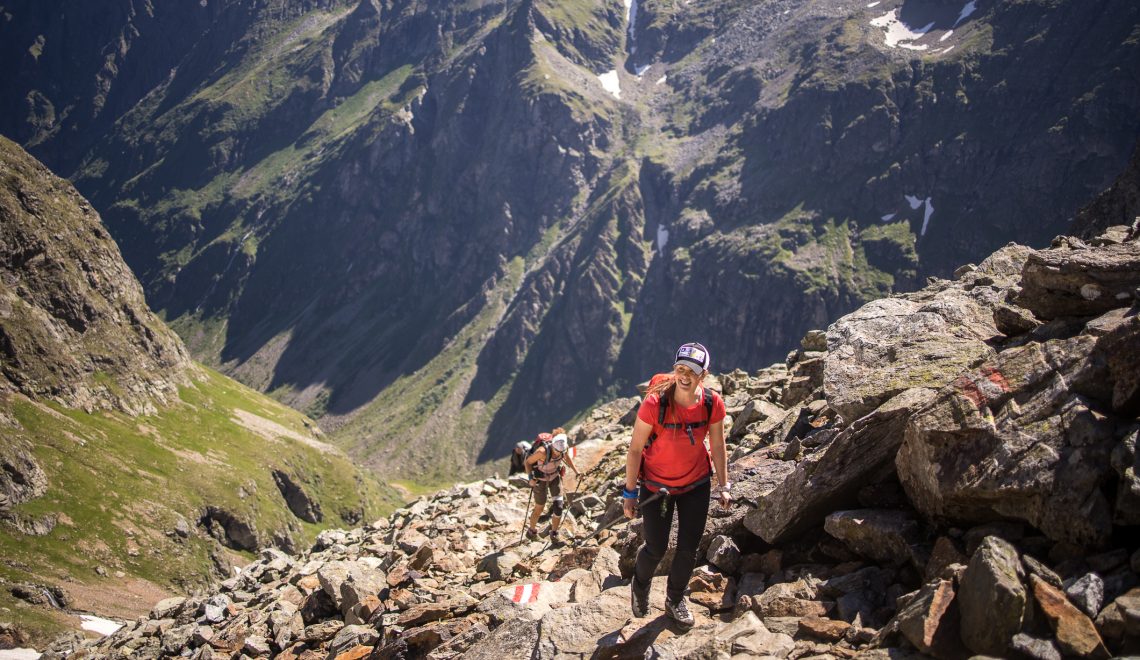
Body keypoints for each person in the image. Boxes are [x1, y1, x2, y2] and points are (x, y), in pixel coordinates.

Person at [622, 342, 731, 628]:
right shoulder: (655, 403)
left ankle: (675, 599)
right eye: (680, 368)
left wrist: (724, 485)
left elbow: (718, 446)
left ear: (703, 374)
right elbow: (635, 450)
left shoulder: (711, 403)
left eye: (692, 371)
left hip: (696, 483)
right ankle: (641, 583)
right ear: (675, 369)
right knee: (656, 548)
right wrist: (630, 493)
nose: (684, 375)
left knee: (688, 548)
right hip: (657, 487)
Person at [524, 428, 580, 543]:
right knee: (540, 508)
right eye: (556, 451)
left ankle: (554, 534)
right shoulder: (542, 452)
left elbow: (567, 457)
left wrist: (576, 471)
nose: (558, 454)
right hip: (540, 479)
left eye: (561, 452)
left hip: (555, 477)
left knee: (559, 507)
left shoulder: (563, 449)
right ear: (552, 446)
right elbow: (528, 462)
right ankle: (531, 532)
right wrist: (530, 478)